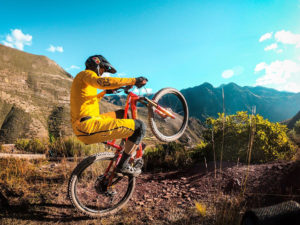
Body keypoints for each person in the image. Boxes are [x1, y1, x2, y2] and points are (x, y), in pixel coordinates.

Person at [70, 55, 148, 176]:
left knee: (122, 114)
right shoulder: (85, 74)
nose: (102, 74)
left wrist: (106, 92)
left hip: (88, 122)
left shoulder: (83, 82)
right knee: (140, 127)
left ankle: (129, 145)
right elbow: (101, 82)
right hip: (87, 126)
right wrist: (134, 80)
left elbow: (91, 100)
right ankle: (123, 165)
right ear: (96, 65)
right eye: (102, 70)